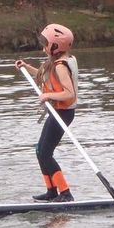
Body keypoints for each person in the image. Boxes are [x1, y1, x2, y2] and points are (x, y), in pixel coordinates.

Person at [15, 23, 78, 202]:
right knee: (39, 150)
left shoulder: (61, 66)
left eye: (46, 44)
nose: (43, 48)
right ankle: (51, 191)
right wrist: (27, 68)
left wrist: (47, 95)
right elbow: (44, 77)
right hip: (56, 111)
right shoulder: (56, 62)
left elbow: (69, 93)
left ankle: (65, 193)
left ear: (56, 46)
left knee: (45, 153)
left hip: (63, 113)